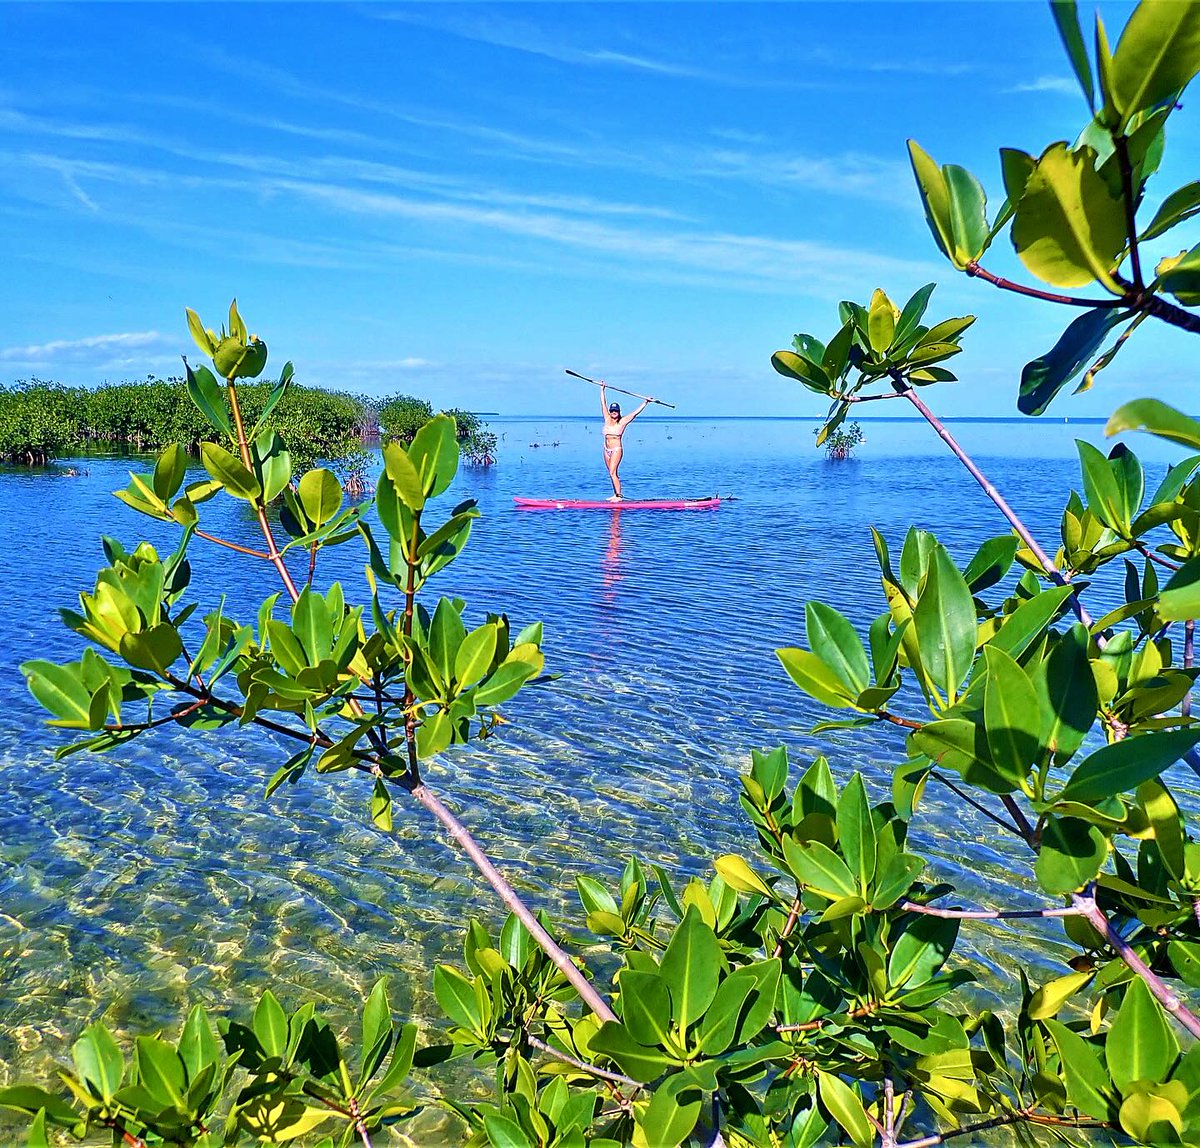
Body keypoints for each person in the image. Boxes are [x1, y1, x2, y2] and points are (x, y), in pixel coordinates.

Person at [600, 383, 653, 501]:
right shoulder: (607, 419)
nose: (614, 412)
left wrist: (645, 402)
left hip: (616, 449)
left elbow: (635, 413)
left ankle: (619, 496)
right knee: (611, 473)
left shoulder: (622, 422)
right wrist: (602, 389)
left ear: (619, 412)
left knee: (613, 472)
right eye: (612, 411)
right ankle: (615, 494)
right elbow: (603, 404)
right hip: (606, 449)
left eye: (616, 411)